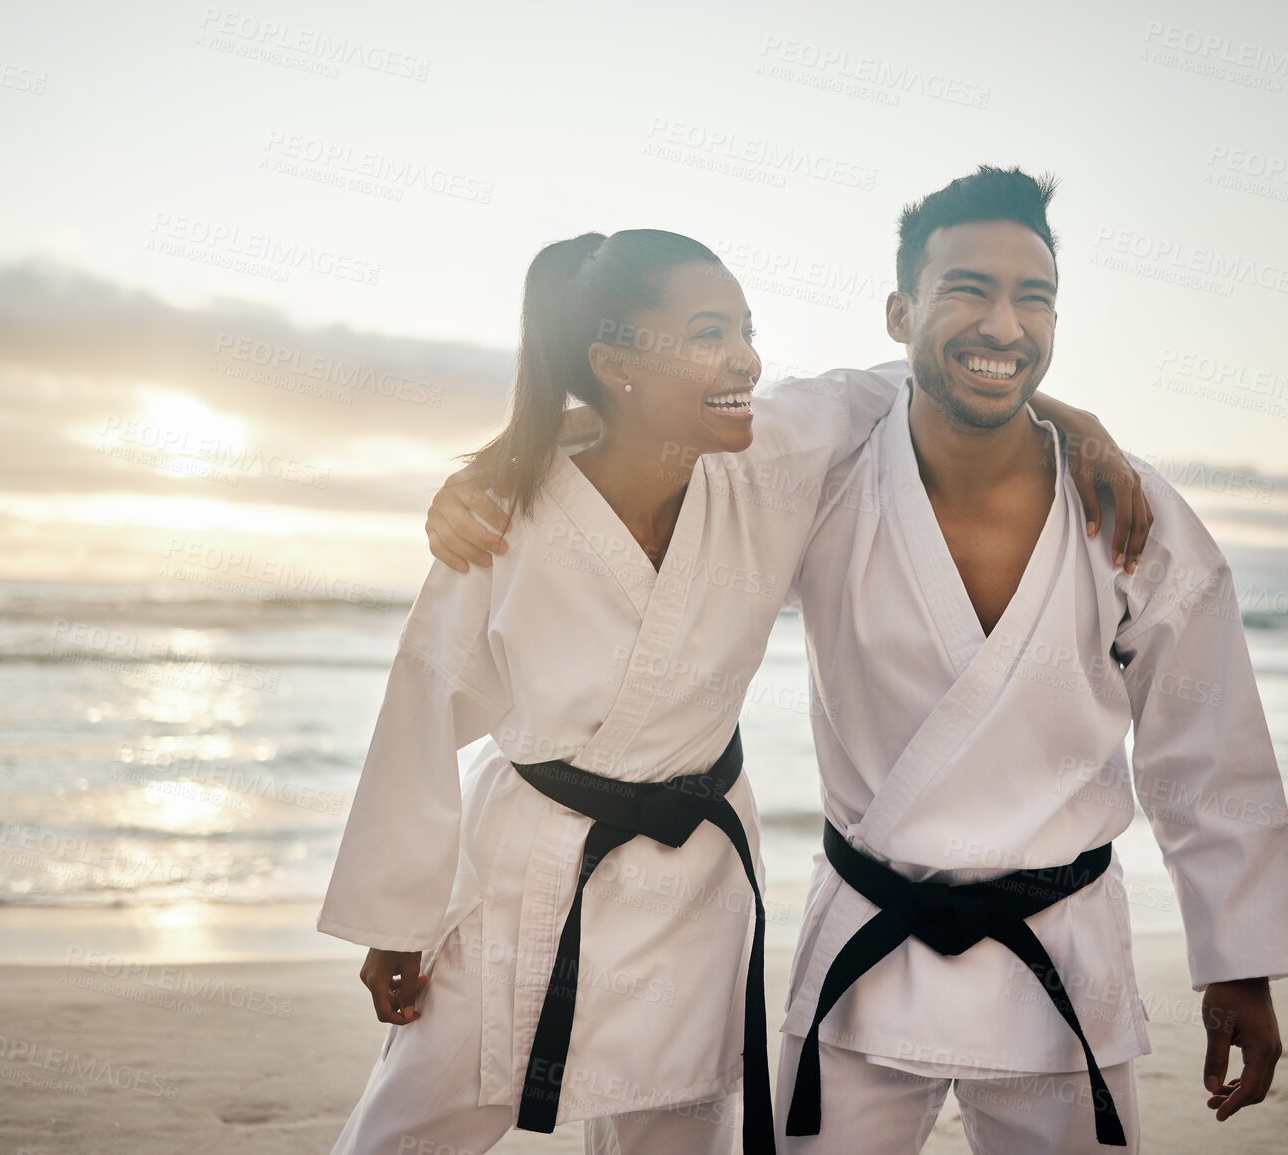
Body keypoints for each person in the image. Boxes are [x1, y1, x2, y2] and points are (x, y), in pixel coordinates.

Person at [426, 169, 1288, 1154]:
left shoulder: (1129, 513)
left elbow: (1208, 740)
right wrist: (510, 463)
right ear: (900, 311)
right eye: (968, 290)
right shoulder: (819, 469)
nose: (1005, 323)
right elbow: (667, 424)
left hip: (1061, 963)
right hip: (864, 963)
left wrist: (1238, 960)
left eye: (1035, 297)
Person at [331, 228, 1151, 1155]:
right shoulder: (502, 517)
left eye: (746, 330)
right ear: (615, 362)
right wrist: (394, 919)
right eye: (710, 333)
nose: (748, 361)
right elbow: (420, 711)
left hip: (695, 885)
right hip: (530, 872)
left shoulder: (773, 455)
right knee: (401, 1131)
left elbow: (937, 374)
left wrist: (1083, 427)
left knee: (676, 1131)